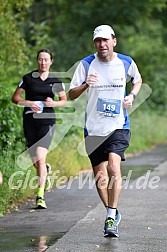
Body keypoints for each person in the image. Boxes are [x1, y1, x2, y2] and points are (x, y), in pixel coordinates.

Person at [69, 25, 142, 237]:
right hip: (93, 128)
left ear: (114, 41)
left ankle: (110, 217)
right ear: (95, 44)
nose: (102, 45)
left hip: (118, 125)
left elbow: (137, 80)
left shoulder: (126, 62)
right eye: (98, 41)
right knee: (100, 178)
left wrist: (132, 96)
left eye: (105, 40)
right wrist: (84, 85)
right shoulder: (86, 64)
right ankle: (113, 211)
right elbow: (71, 94)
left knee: (113, 166)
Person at [12, 48, 67, 209]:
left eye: (46, 59)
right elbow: (15, 98)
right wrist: (29, 103)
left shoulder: (55, 80)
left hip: (47, 121)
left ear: (51, 61)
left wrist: (53, 103)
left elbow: (63, 100)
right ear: (37, 61)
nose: (43, 62)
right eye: (40, 59)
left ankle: (40, 196)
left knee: (40, 158)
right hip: (30, 121)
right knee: (36, 161)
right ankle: (45, 171)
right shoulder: (28, 78)